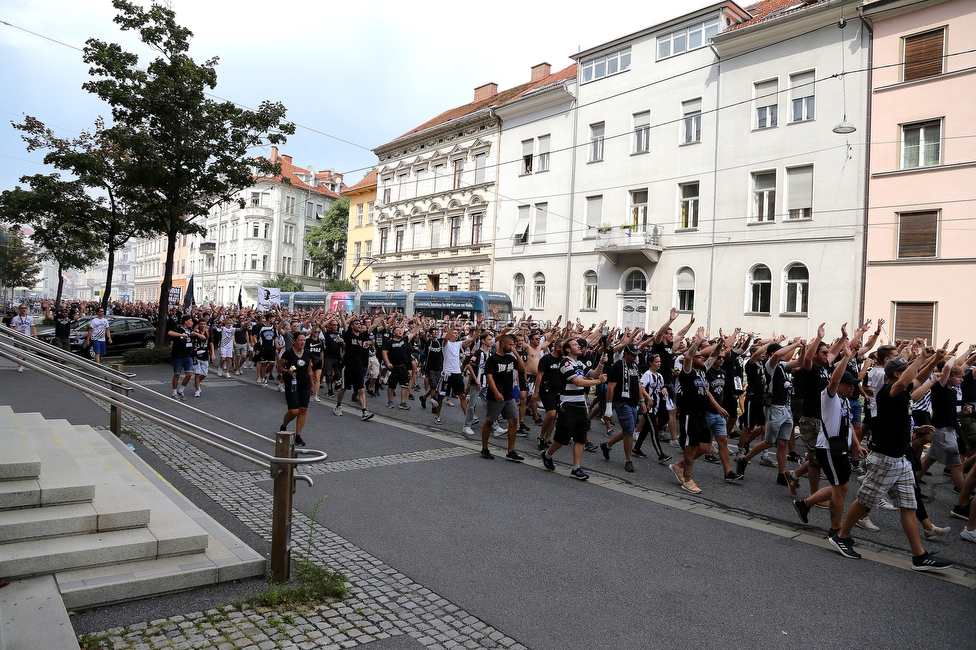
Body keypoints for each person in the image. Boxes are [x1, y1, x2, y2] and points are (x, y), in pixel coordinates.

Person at [830, 348, 953, 572]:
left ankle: (919, 556)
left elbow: (917, 378)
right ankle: (841, 536)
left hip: (901, 458)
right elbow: (909, 377)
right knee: (865, 501)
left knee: (909, 505)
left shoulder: (903, 393)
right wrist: (922, 357)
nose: (910, 375)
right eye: (905, 371)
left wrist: (933, 360)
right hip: (885, 458)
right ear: (897, 374)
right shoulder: (888, 391)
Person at [791, 345, 865, 536]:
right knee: (840, 490)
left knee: (840, 487)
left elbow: (848, 425)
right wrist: (846, 359)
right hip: (829, 448)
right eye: (849, 384)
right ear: (839, 384)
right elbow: (833, 379)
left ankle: (804, 504)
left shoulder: (845, 401)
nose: (852, 388)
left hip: (840, 448)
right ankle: (836, 531)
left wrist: (857, 444)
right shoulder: (829, 396)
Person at [670, 329, 729, 494]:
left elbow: (715, 355)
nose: (702, 358)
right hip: (690, 414)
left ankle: (678, 466)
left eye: (702, 356)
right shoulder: (687, 372)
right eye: (699, 356)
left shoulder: (703, 371)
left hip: (702, 414)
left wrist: (721, 342)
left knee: (704, 448)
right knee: (691, 447)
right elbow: (688, 356)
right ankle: (687, 480)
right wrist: (699, 340)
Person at [540, 338, 607, 481]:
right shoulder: (565, 363)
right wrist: (598, 381)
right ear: (568, 349)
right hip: (568, 404)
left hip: (580, 404)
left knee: (580, 436)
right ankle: (547, 454)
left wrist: (601, 363)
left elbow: (594, 373)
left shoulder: (579, 363)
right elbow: (577, 381)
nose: (579, 346)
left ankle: (576, 468)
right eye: (575, 345)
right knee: (562, 438)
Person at [479, 334, 525, 461]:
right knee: (490, 421)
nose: (512, 346)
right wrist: (496, 392)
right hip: (496, 395)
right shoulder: (493, 359)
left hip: (508, 395)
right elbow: (489, 377)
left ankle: (511, 450)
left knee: (514, 421)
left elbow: (522, 368)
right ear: (503, 344)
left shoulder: (510, 358)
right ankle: (484, 448)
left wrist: (515, 352)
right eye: (510, 344)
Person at [600, 343, 646, 473]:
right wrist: (609, 407)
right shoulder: (617, 366)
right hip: (622, 402)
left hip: (633, 402)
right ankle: (628, 460)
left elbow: (638, 384)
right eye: (633, 355)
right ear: (626, 354)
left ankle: (607, 445)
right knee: (629, 430)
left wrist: (642, 400)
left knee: (628, 429)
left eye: (636, 355)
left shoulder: (635, 366)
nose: (635, 357)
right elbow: (611, 387)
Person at [334, 317, 375, 421]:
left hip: (359, 368)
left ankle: (364, 411)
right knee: (343, 388)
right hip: (348, 368)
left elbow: (373, 326)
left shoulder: (362, 336)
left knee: (361, 389)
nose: (359, 325)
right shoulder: (349, 335)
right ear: (352, 326)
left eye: (360, 323)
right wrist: (341, 313)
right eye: (357, 323)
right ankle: (338, 406)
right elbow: (344, 324)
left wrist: (382, 316)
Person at [278, 332, 313, 446]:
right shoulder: (288, 353)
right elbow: (280, 367)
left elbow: (309, 370)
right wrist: (287, 371)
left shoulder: (307, 353)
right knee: (294, 411)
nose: (302, 342)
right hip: (292, 384)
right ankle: (284, 425)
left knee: (303, 410)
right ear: (294, 341)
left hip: (305, 384)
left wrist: (312, 385)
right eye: (300, 340)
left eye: (304, 340)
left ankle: (298, 435)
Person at [168, 314, 196, 400]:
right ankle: (174, 392)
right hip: (178, 355)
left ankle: (181, 390)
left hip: (187, 355)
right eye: (190, 321)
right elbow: (170, 333)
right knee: (177, 374)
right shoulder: (179, 329)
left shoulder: (190, 330)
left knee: (189, 374)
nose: (191, 322)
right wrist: (182, 335)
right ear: (185, 321)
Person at [9, 304, 37, 372]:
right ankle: (20, 366)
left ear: (27, 309)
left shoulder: (30, 318)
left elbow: (33, 327)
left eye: (25, 308)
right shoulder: (15, 318)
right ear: (19, 309)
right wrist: (17, 331)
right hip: (18, 337)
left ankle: (22, 363)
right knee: (19, 351)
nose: (23, 309)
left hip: (27, 337)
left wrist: (35, 335)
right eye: (22, 308)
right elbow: (11, 328)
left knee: (26, 352)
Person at [191, 319, 213, 397]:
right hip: (196, 356)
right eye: (201, 324)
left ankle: (197, 383)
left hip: (205, 356)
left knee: (204, 374)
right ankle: (197, 390)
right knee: (197, 373)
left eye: (204, 324)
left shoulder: (207, 333)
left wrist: (212, 353)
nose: (203, 326)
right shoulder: (195, 332)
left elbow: (210, 343)